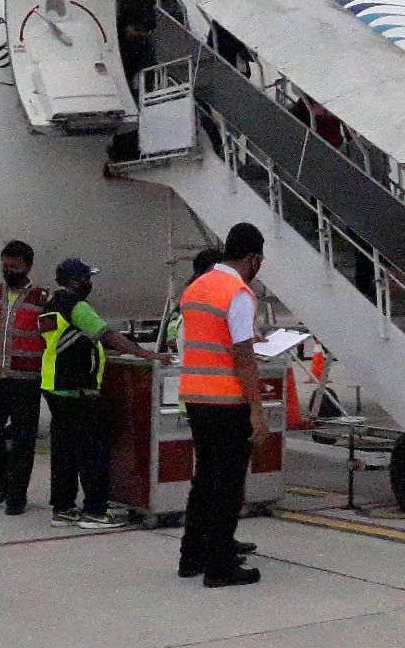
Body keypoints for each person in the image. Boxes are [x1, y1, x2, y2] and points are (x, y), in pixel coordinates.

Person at [176, 223, 270, 587]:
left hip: (196, 396)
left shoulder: (196, 287)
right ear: (252, 259)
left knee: (204, 480)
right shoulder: (238, 293)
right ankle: (220, 566)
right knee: (228, 485)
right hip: (228, 400)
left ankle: (192, 556)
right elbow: (243, 357)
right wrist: (257, 410)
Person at [38, 258, 161, 529]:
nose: (90, 284)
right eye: (87, 278)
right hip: (78, 387)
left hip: (54, 385)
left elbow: (67, 341)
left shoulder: (49, 307)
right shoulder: (77, 307)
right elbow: (108, 335)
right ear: (76, 282)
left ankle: (63, 508)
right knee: (93, 451)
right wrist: (146, 354)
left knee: (64, 452)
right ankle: (95, 510)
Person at [0, 240, 50, 516]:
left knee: (23, 439)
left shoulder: (42, 299)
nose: (8, 271)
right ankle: (6, 482)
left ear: (27, 267)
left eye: (14, 267)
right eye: (5, 266)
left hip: (26, 378)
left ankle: (17, 496)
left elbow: (50, 337)